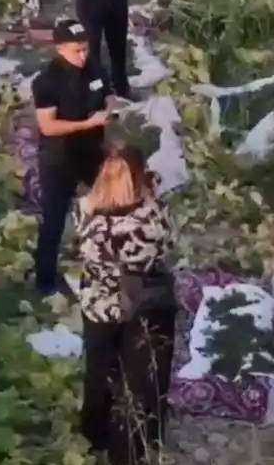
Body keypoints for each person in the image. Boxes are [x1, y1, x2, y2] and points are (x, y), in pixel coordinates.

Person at [75, 143, 176, 465]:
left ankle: (94, 436)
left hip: (100, 306)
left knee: (100, 372)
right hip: (143, 308)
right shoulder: (152, 216)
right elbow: (167, 246)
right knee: (140, 382)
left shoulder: (88, 216)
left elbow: (93, 260)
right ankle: (133, 448)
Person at [31, 19, 111, 297]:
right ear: (61, 49)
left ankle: (110, 263)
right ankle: (45, 283)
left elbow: (106, 98)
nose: (83, 55)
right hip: (59, 157)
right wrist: (89, 123)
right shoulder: (47, 82)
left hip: (92, 153)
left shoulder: (95, 69)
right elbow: (48, 126)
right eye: (77, 50)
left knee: (111, 204)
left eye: (86, 48)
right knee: (53, 219)